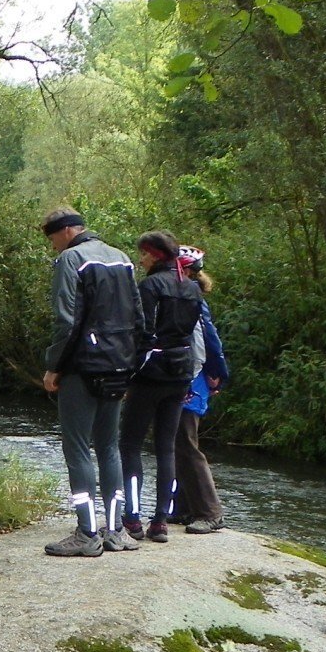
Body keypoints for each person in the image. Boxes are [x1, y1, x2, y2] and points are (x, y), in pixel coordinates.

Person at [41, 206, 140, 558]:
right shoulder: (122, 258)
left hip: (82, 367)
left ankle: (86, 532)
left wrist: (54, 367)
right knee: (109, 447)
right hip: (118, 365)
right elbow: (138, 318)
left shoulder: (72, 259)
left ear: (65, 232)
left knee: (78, 448)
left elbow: (66, 320)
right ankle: (115, 531)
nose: (53, 246)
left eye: (51, 238)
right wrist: (131, 366)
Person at [119, 230, 205, 544]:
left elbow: (140, 332)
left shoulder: (151, 285)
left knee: (129, 445)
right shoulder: (193, 288)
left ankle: (132, 518)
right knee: (165, 447)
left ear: (155, 255)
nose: (140, 259)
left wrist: (127, 372)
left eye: (143, 254)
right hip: (180, 374)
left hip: (150, 374)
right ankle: (160, 522)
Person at [172, 248, 231, 533]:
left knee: (186, 444)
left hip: (191, 379)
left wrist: (216, 375)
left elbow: (208, 340)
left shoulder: (190, 298)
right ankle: (184, 508)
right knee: (177, 443)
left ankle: (210, 513)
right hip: (189, 377)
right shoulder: (187, 294)